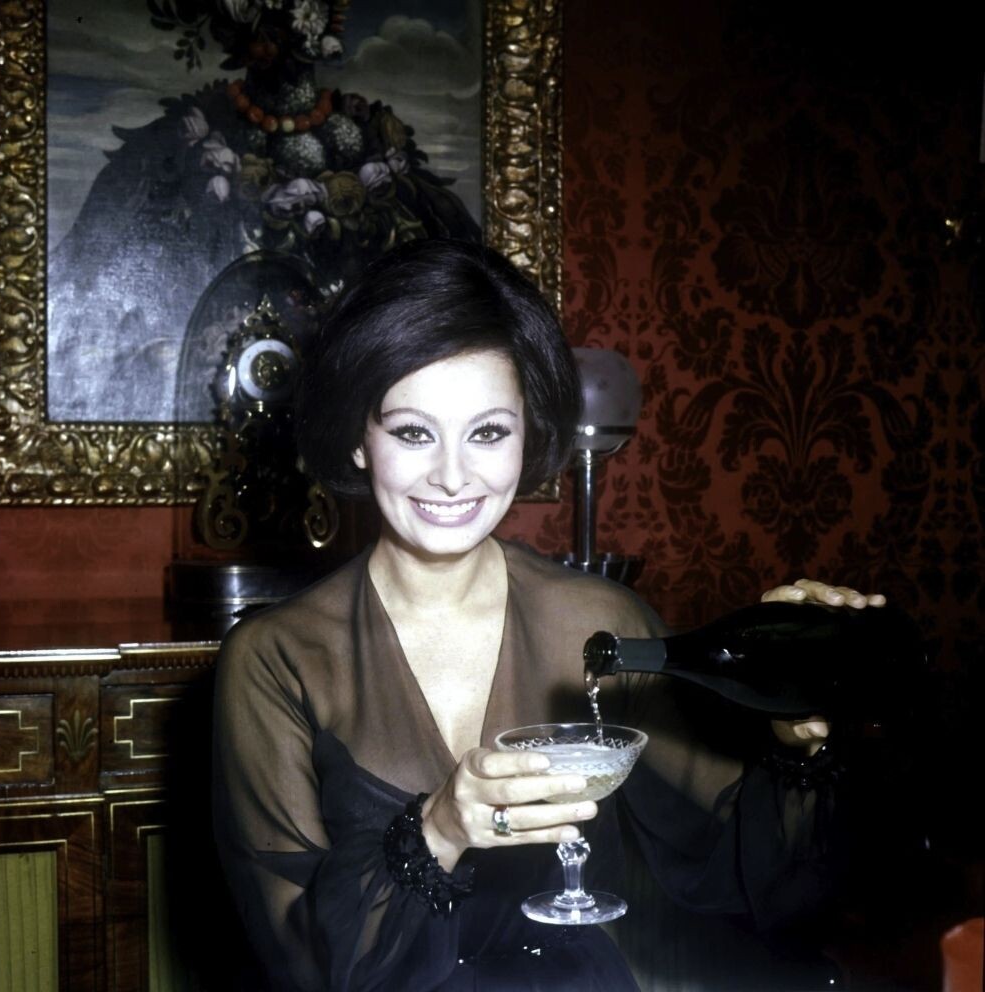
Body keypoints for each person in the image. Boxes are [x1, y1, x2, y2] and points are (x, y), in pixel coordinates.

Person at [212, 238, 883, 991]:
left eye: (488, 432)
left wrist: (794, 735)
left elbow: (761, 879)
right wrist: (439, 829)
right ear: (358, 440)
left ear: (527, 433)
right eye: (412, 432)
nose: (453, 477)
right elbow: (302, 963)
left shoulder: (599, 623)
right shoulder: (277, 659)